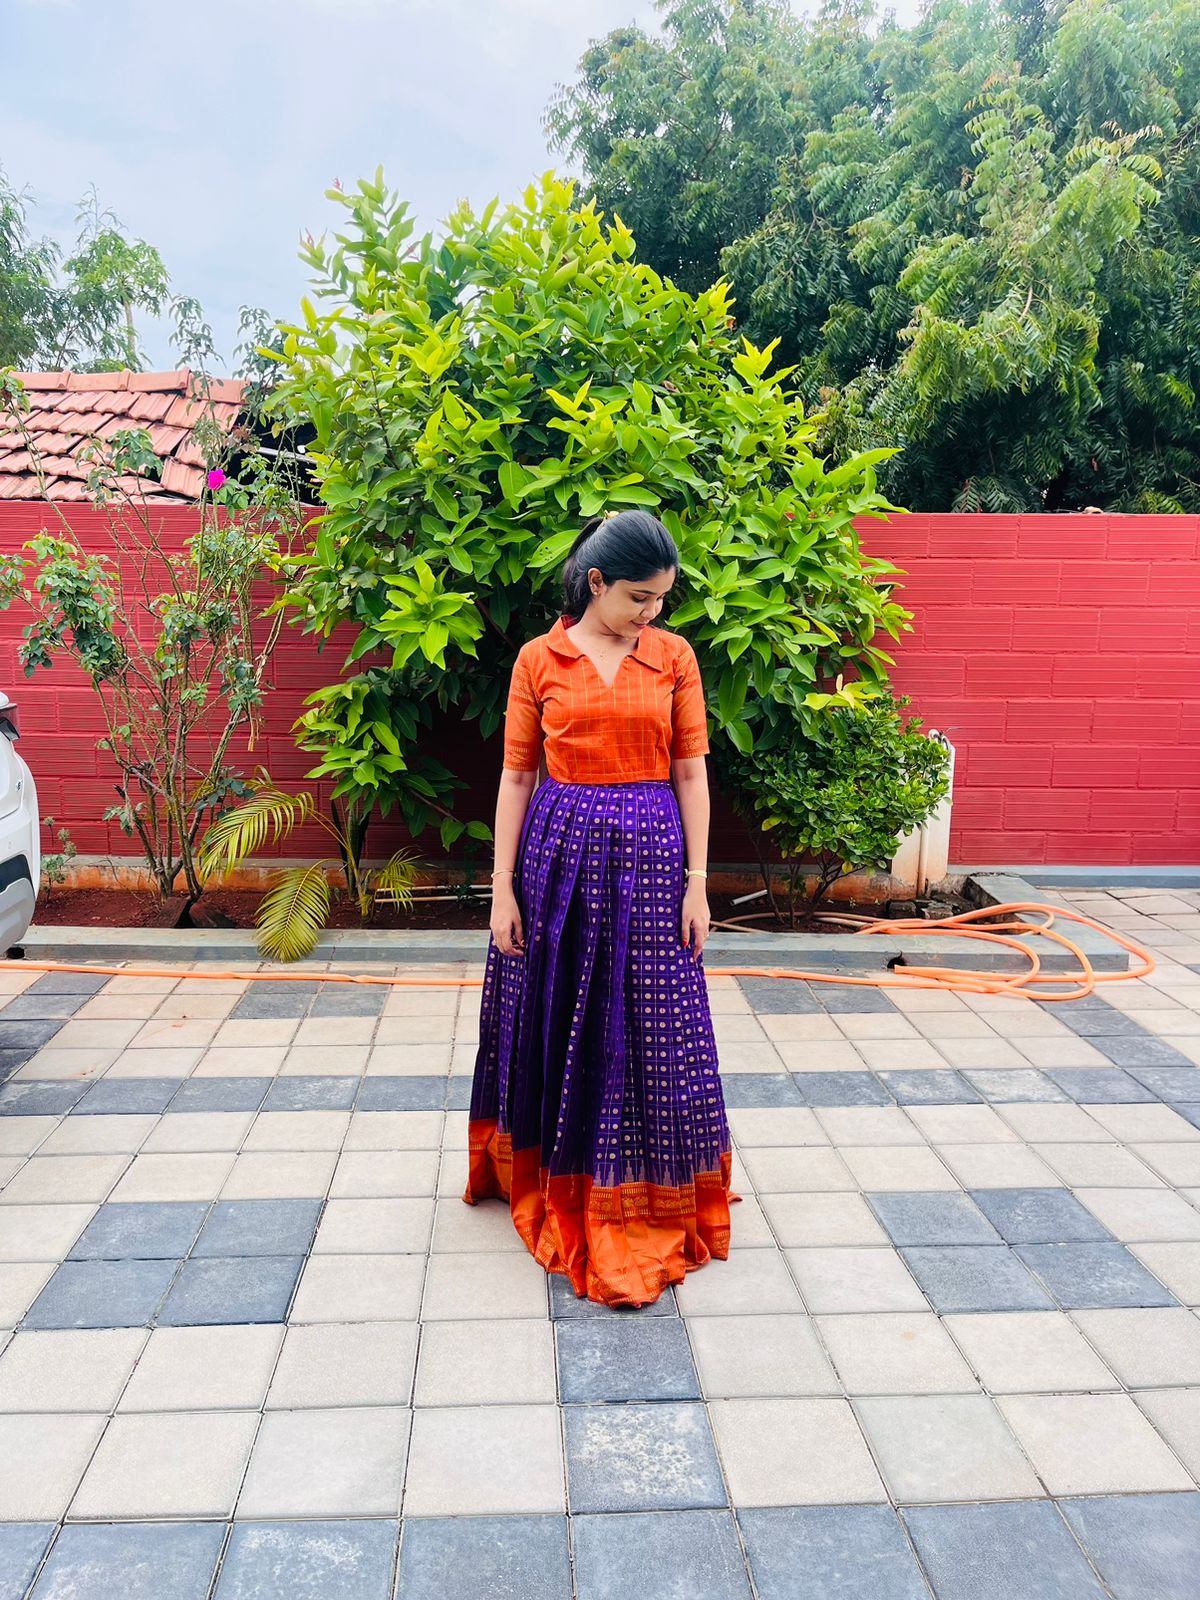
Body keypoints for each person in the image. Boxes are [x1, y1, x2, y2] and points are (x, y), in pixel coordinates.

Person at [462, 508, 737, 1307]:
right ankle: (561, 1173)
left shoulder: (674, 658)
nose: (652, 614)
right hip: (557, 860)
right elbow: (516, 780)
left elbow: (692, 774)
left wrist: (697, 881)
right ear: (596, 584)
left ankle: (648, 1189)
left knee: (652, 1024)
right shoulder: (536, 661)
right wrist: (501, 888)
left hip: (654, 865)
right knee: (556, 1014)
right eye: (639, 599)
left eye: (661, 600)